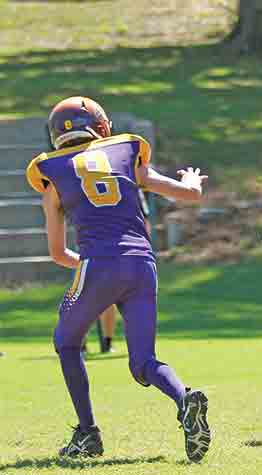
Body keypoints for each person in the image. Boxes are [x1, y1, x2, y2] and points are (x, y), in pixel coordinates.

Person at [27, 96, 211, 461]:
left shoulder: (54, 176)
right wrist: (190, 179)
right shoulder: (125, 153)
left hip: (99, 263)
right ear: (101, 127)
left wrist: (96, 269)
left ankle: (87, 434)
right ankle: (183, 398)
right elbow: (191, 195)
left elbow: (59, 253)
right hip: (142, 263)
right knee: (144, 361)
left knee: (66, 341)